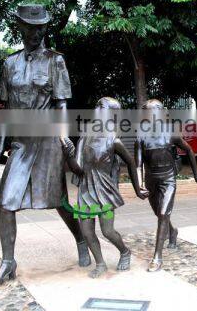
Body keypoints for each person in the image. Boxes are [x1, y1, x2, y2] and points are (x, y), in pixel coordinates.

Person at [0, 4, 90, 288]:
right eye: (31, 27)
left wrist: (62, 134)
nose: (37, 32)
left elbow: (61, 103)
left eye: (41, 27)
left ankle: (81, 238)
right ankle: (8, 261)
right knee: (6, 202)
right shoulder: (10, 64)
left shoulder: (55, 61)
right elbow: (8, 109)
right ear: (20, 27)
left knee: (57, 200)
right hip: (21, 143)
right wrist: (2, 143)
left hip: (47, 140)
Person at [61, 97, 149, 278]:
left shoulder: (113, 140)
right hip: (86, 192)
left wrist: (138, 188)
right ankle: (100, 263)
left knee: (107, 231)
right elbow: (77, 169)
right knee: (87, 232)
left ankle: (125, 251)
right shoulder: (85, 136)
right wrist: (69, 153)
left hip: (105, 192)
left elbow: (132, 163)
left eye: (101, 106)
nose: (96, 108)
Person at [135, 99, 197, 272]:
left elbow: (188, 150)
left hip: (168, 179)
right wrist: (139, 184)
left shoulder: (171, 134)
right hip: (152, 180)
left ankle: (157, 257)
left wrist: (196, 175)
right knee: (160, 214)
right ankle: (172, 232)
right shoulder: (141, 136)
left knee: (163, 213)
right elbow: (138, 164)